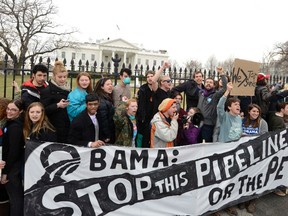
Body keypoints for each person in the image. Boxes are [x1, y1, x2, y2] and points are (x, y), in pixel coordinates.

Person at [1, 99, 25, 216]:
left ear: (20, 112)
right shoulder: (10, 122)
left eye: (13, 110)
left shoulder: (15, 127)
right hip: (11, 166)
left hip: (12, 169)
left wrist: (5, 172)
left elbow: (13, 152)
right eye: (8, 109)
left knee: (16, 199)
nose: (9, 112)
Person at [40, 61, 70, 143]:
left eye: (64, 77)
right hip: (52, 127)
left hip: (66, 125)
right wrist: (57, 105)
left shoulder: (68, 89)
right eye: (60, 77)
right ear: (54, 76)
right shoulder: (47, 90)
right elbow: (43, 110)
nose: (62, 79)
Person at [197, 67, 227, 142]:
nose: (208, 84)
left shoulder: (215, 95)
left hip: (208, 124)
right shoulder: (201, 93)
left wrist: (222, 74)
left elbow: (225, 88)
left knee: (207, 144)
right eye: (207, 82)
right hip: (198, 122)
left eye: (210, 82)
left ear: (214, 85)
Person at [136, 70, 155, 148]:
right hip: (144, 118)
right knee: (144, 137)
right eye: (148, 77)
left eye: (151, 76)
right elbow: (141, 105)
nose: (150, 78)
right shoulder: (143, 89)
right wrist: (142, 117)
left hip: (154, 116)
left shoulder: (157, 89)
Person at [93, 78, 115, 144]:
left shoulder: (107, 98)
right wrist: (106, 136)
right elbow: (103, 120)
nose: (110, 86)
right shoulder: (102, 101)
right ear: (102, 87)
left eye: (111, 84)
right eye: (107, 84)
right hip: (104, 135)